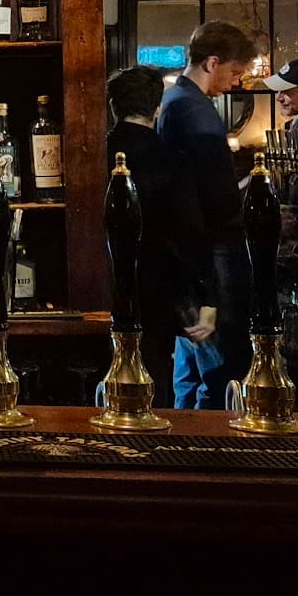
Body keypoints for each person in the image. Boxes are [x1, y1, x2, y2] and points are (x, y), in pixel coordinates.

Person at [157, 20, 256, 409]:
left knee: (191, 359)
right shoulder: (195, 112)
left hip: (189, 250)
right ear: (212, 63)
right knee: (220, 367)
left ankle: (184, 442)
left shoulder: (175, 102)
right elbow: (212, 199)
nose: (235, 83)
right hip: (211, 250)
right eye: (234, 72)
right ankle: (212, 450)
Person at [106, 66, 183, 406]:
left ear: (112, 106)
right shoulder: (170, 155)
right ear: (157, 109)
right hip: (159, 282)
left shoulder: (95, 152)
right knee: (155, 374)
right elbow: (186, 230)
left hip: (105, 280)